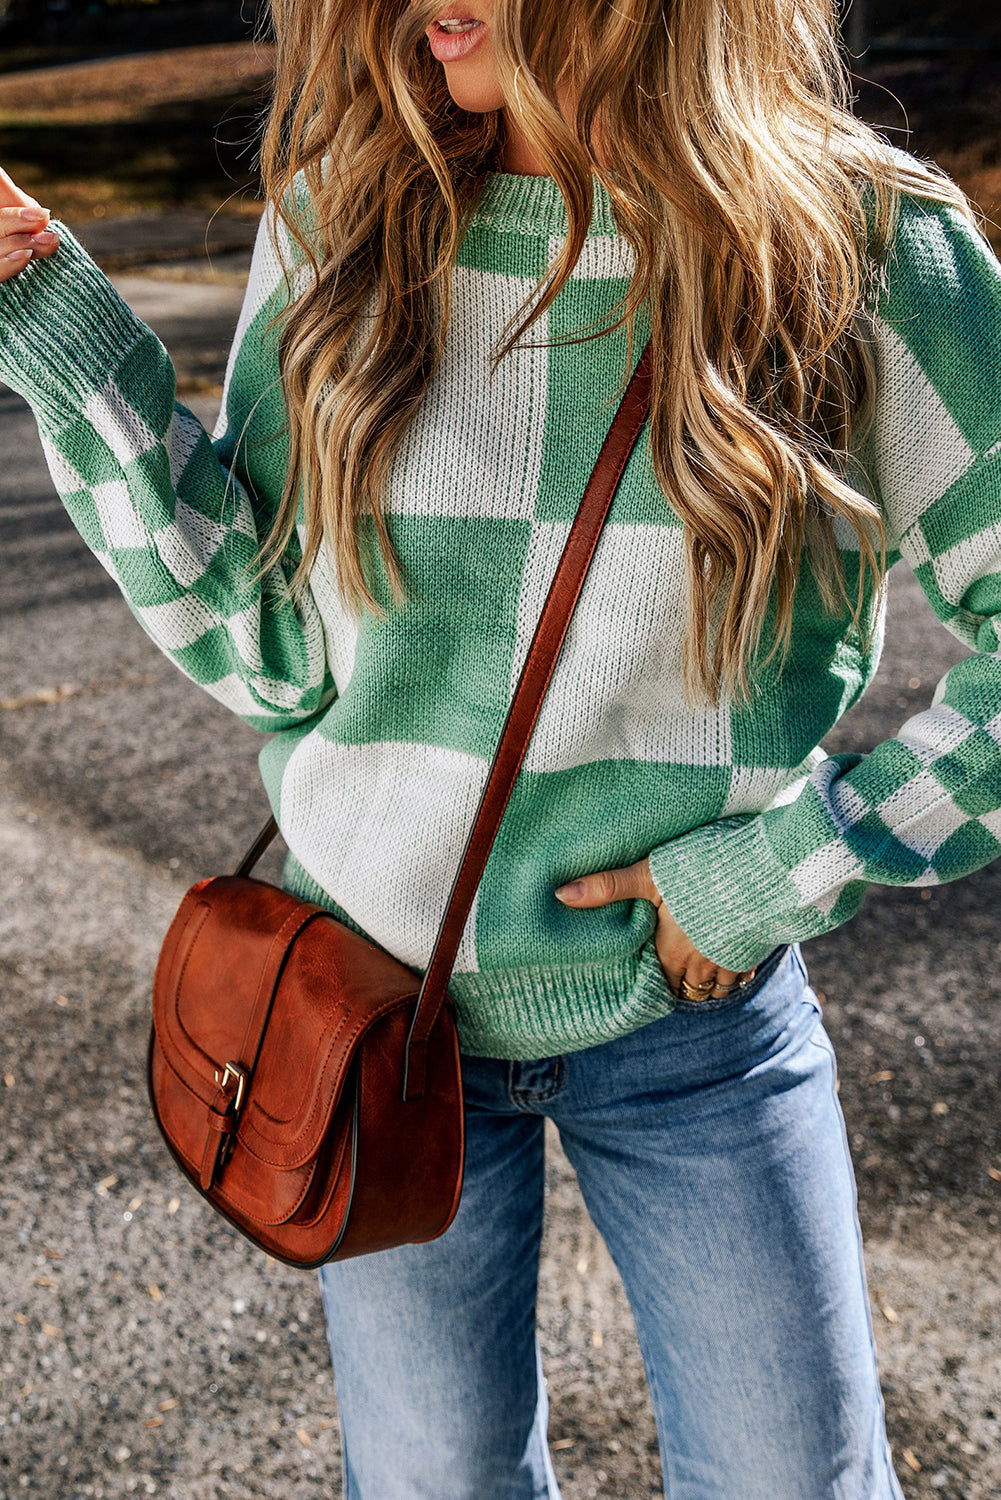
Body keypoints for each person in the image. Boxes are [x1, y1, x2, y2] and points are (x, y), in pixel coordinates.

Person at [2, 0, 1000, 1494]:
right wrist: (51, 327)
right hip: (370, 1018)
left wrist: (779, 873)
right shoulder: (348, 214)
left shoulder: (855, 246)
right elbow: (265, 649)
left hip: (693, 1024)